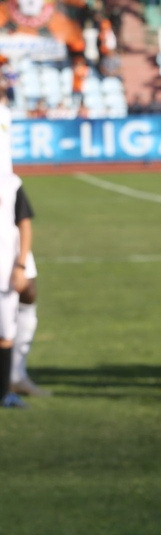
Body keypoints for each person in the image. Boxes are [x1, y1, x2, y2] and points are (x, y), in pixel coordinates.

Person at [0, 171, 33, 408]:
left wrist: (21, 266)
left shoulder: (10, 182)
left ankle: (4, 393)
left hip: (4, 272)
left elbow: (24, 223)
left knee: (5, 334)